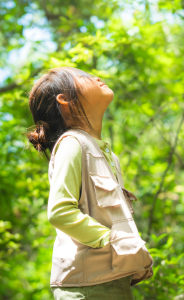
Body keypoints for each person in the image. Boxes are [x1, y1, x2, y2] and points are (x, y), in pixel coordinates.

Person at [26, 67, 153, 300]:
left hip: (113, 281)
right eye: (83, 77)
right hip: (86, 287)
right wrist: (112, 240)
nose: (96, 77)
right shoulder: (72, 143)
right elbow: (60, 212)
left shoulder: (107, 154)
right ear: (64, 100)